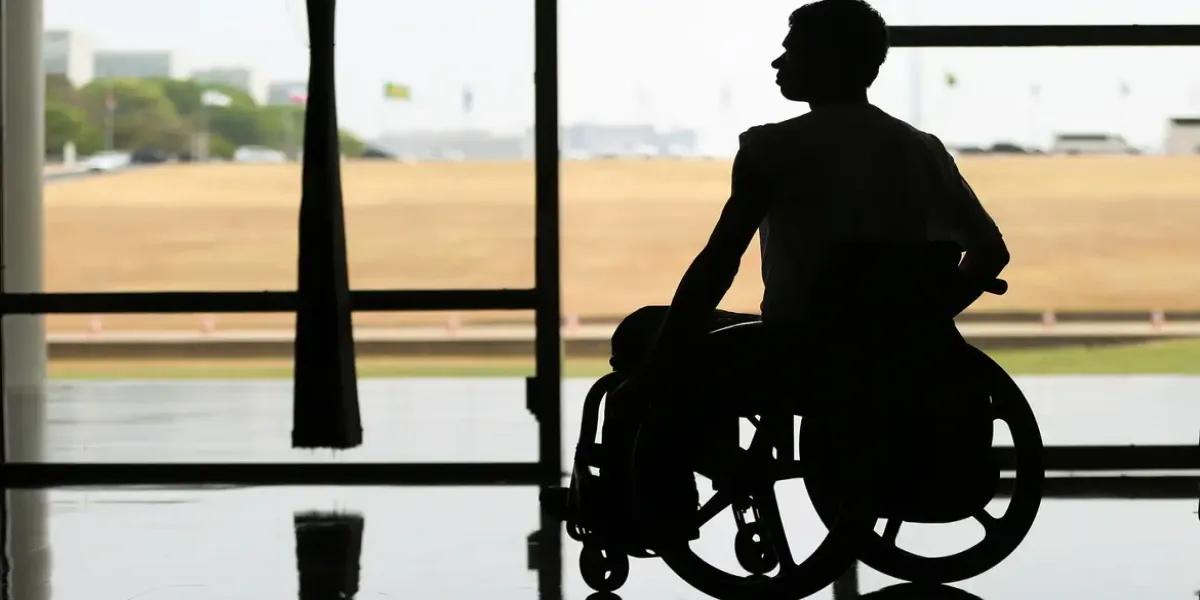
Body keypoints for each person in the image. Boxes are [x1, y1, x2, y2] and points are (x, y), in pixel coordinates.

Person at [607, 0, 1012, 545]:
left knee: (645, 331)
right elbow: (989, 252)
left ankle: (667, 503)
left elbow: (718, 264)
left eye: (791, 50)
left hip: (799, 354)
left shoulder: (770, 148)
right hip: (894, 353)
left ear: (827, 59)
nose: (778, 62)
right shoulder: (921, 150)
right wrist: (922, 320)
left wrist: (654, 369)